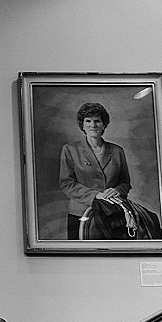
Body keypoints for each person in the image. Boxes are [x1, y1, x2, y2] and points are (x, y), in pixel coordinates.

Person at [59, 102, 131, 239]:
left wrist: (117, 191)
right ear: (82, 125)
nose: (93, 125)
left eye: (97, 121)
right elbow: (66, 183)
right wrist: (96, 195)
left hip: (112, 213)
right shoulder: (70, 149)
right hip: (81, 214)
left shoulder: (117, 151)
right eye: (88, 121)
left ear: (104, 125)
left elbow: (125, 182)